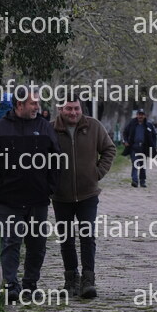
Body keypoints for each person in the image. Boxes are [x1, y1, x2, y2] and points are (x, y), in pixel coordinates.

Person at [0, 87, 60, 303]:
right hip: (8, 200)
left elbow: (56, 159)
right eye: (33, 103)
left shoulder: (44, 127)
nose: (38, 107)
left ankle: (30, 284)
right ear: (19, 105)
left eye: (38, 103)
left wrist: (49, 187)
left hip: (38, 199)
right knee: (10, 243)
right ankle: (11, 284)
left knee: (37, 245)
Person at [51, 98, 116, 298]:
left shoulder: (93, 126)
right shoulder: (50, 129)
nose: (73, 112)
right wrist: (51, 180)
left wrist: (97, 173)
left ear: (81, 108)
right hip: (61, 195)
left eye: (76, 108)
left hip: (88, 194)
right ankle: (71, 280)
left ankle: (88, 280)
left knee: (87, 237)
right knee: (66, 239)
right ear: (60, 109)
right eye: (68, 108)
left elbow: (109, 149)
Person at [122, 109, 157, 187]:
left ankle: (142, 181)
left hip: (144, 148)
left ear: (144, 116)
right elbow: (125, 133)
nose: (140, 116)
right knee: (135, 163)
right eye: (139, 114)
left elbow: (154, 135)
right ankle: (134, 180)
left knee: (142, 164)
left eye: (142, 115)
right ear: (137, 115)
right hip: (134, 147)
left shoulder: (148, 125)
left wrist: (154, 145)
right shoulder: (132, 123)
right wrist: (125, 141)